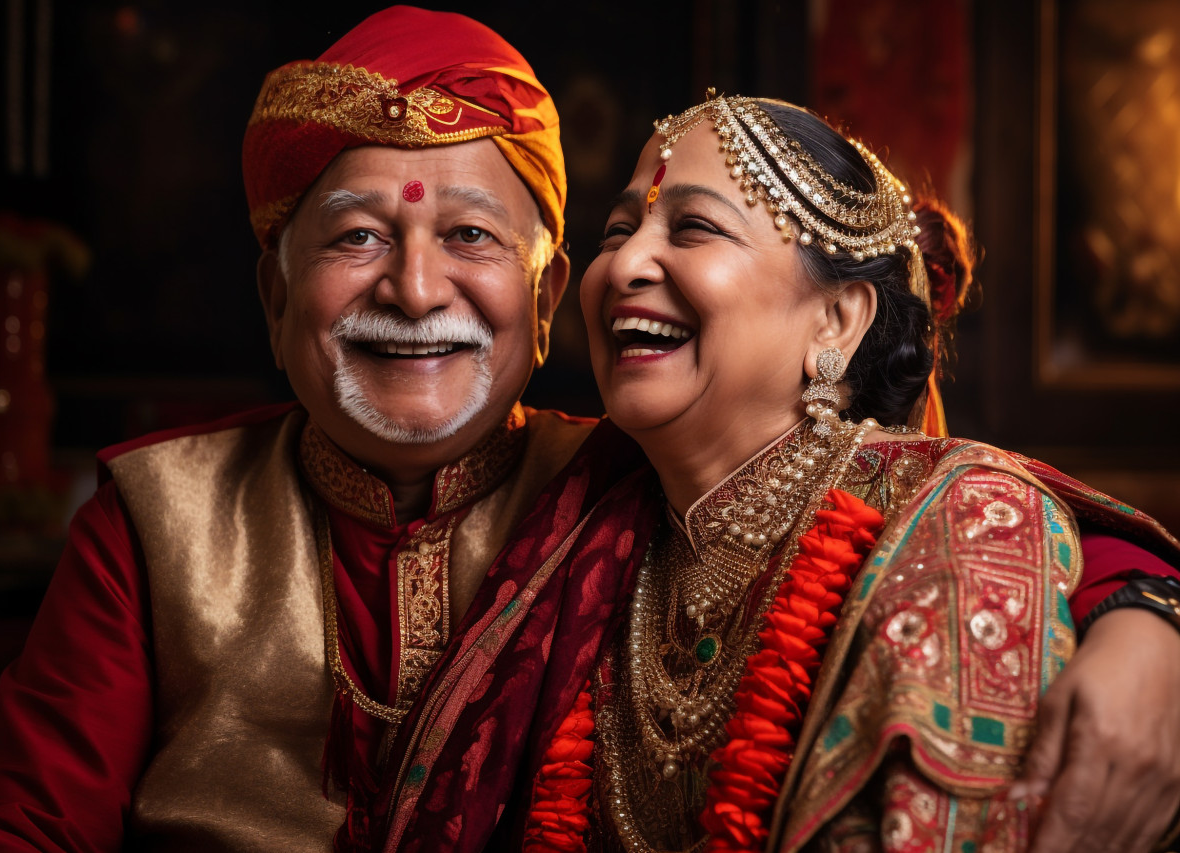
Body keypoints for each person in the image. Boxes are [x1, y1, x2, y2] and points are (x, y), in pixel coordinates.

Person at [0, 8, 1180, 853]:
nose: (413, 290)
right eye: (355, 237)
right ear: (271, 293)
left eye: (468, 237)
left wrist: (1152, 627)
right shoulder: (159, 516)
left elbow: (1000, 520)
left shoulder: (626, 476)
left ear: (537, 291)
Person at [503, 92, 1180, 851]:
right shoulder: (582, 539)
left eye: (693, 228)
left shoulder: (964, 530)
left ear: (836, 320)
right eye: (617, 230)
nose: (624, 263)